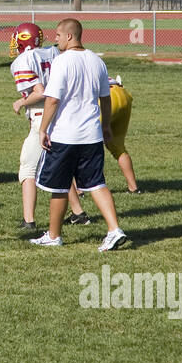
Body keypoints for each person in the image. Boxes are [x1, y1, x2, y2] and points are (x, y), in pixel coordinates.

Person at [34, 19, 127, 251]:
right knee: (97, 183)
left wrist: (43, 128)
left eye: (57, 35)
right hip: (92, 135)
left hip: (65, 136)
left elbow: (52, 99)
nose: (54, 40)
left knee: (59, 187)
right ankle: (114, 229)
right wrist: (106, 127)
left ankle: (54, 236)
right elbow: (106, 97)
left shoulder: (62, 62)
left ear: (69, 36)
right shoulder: (97, 61)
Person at [9, 22, 87, 231]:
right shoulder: (53, 52)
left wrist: (21, 102)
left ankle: (29, 221)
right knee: (60, 165)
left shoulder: (24, 59)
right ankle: (78, 213)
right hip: (61, 115)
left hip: (42, 116)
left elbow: (40, 91)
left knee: (27, 168)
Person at [105, 75, 141, 193]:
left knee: (82, 148)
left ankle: (80, 190)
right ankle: (133, 187)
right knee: (118, 147)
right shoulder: (95, 61)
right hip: (122, 92)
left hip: (105, 98)